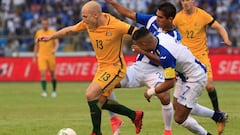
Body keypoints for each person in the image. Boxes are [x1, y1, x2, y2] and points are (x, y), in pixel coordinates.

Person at [37, 1, 143, 135]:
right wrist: (50, 37)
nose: (83, 20)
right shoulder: (88, 24)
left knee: (90, 94)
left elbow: (137, 32)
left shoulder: (116, 25)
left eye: (85, 16)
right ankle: (134, 115)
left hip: (115, 68)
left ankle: (96, 132)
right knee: (99, 102)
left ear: (95, 15)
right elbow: (69, 30)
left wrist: (144, 47)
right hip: (102, 68)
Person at [133, 27, 228, 135]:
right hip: (184, 74)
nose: (138, 49)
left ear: (144, 44)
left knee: (179, 118)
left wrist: (150, 91)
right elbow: (163, 61)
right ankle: (218, 116)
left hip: (195, 78)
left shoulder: (165, 54)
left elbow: (169, 83)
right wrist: (143, 52)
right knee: (178, 106)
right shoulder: (158, 36)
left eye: (139, 45)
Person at [105, 1, 181, 135]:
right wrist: (112, 2)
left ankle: (168, 131)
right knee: (106, 83)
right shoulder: (152, 20)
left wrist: (144, 52)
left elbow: (166, 62)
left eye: (160, 17)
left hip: (156, 71)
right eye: (157, 16)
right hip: (138, 68)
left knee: (164, 96)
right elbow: (128, 13)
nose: (157, 19)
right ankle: (115, 119)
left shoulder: (174, 37)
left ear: (170, 19)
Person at [173, 1, 231, 134]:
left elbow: (219, 27)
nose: (185, 2)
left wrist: (226, 39)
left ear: (193, 1)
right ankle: (215, 117)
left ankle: (218, 113)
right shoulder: (177, 18)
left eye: (188, 0)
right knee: (177, 106)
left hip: (201, 57)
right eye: (183, 0)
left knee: (209, 86)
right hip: (186, 60)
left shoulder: (202, 15)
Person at [33, 18, 59, 98]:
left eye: (46, 24)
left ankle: (54, 91)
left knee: (52, 74)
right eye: (43, 24)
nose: (45, 25)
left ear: (48, 24)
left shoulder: (52, 32)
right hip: (42, 56)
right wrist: (34, 56)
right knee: (43, 74)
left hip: (50, 55)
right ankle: (44, 91)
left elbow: (57, 43)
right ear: (42, 24)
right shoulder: (38, 33)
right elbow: (36, 45)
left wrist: (54, 49)